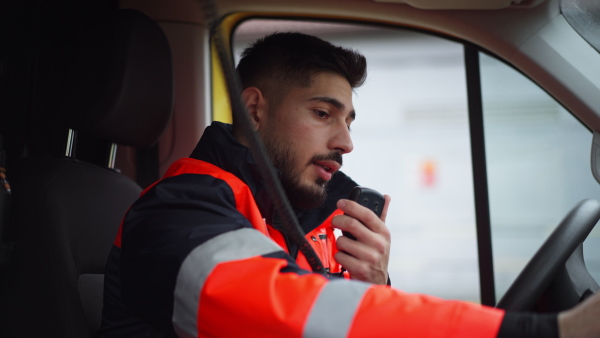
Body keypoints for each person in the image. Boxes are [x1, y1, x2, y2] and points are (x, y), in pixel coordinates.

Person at [100, 32, 600, 337]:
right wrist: (543, 332)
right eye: (323, 114)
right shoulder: (176, 214)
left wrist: (377, 285)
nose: (346, 142)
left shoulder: (316, 214)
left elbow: (344, 315)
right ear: (254, 110)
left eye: (350, 121)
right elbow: (290, 317)